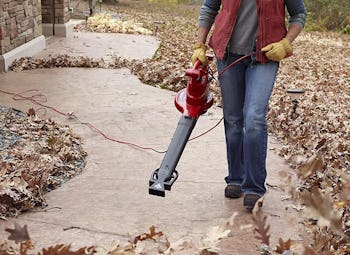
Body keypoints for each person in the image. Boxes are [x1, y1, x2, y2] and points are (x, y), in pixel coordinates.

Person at [191, 0, 307, 211]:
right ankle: (235, 177)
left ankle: (254, 187)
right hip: (227, 56)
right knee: (233, 119)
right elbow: (209, 8)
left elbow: (299, 14)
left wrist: (286, 43)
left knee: (253, 118)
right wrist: (200, 44)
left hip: (264, 56)